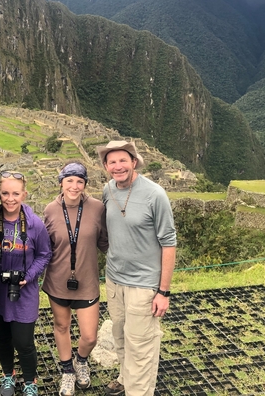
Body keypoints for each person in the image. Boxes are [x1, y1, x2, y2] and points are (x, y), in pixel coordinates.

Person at [96, 140, 177, 396]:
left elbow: (169, 242)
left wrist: (163, 291)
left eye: (123, 160)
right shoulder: (108, 190)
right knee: (120, 335)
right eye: (112, 162)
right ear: (106, 166)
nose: (118, 166)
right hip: (114, 279)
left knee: (141, 345)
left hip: (144, 284)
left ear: (134, 161)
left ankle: (138, 391)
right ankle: (124, 376)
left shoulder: (155, 195)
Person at [42, 161, 108, 396]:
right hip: (57, 281)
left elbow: (106, 244)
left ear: (85, 184)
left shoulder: (97, 208)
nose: (74, 186)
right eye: (69, 180)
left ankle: (81, 360)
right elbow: (45, 248)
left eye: (79, 181)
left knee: (90, 336)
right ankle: (68, 371)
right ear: (61, 182)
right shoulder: (50, 209)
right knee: (62, 326)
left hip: (87, 282)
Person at [0, 171, 52, 396]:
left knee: (24, 342)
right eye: (5, 193)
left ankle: (30, 381)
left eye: (16, 193)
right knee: (2, 338)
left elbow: (45, 254)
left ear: (24, 194)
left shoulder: (35, 224)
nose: (10, 198)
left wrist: (30, 275)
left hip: (23, 292)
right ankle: (8, 374)